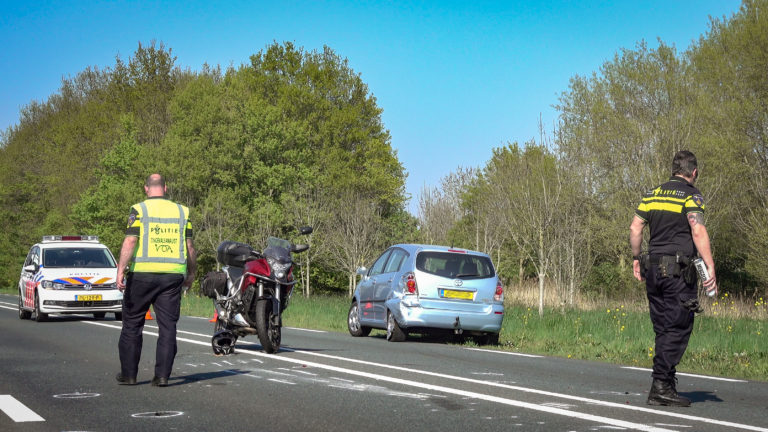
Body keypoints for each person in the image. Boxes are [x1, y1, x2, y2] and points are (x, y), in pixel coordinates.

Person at [629, 150, 717, 407]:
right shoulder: (691, 195)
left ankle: (665, 384)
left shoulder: (652, 194)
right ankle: (660, 386)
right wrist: (710, 265)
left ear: (673, 170)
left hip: (653, 270)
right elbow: (697, 229)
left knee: (662, 328)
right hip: (677, 272)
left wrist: (636, 257)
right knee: (677, 327)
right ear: (694, 172)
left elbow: (635, 227)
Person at [115, 174, 196, 387]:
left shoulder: (139, 209)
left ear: (146, 188)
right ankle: (162, 376)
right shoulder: (182, 211)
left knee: (132, 325)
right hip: (172, 276)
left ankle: (129, 375)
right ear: (165, 188)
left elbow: (130, 240)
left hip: (142, 275)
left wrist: (120, 270)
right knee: (168, 327)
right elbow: (189, 246)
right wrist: (191, 273)